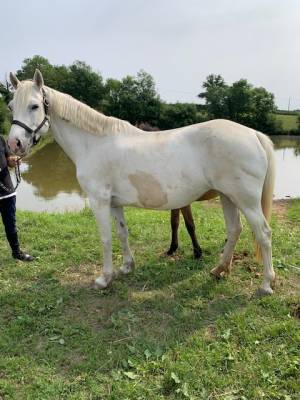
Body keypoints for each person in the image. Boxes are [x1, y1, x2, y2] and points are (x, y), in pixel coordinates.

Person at [0, 135, 34, 261]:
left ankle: (16, 252)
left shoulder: (1, 139)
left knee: (11, 224)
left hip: (7, 192)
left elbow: (8, 159)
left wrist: (13, 160)